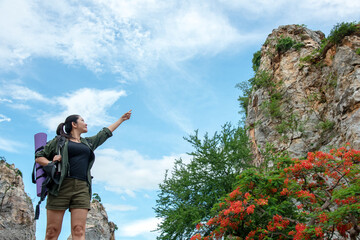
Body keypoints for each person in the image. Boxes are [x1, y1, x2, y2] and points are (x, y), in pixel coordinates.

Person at [35, 110, 132, 240]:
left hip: (82, 188)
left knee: (79, 230)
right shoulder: (59, 141)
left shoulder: (88, 143)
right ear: (74, 124)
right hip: (60, 187)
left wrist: (121, 119)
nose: (85, 123)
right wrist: (51, 163)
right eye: (82, 120)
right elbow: (39, 157)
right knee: (52, 231)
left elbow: (105, 133)